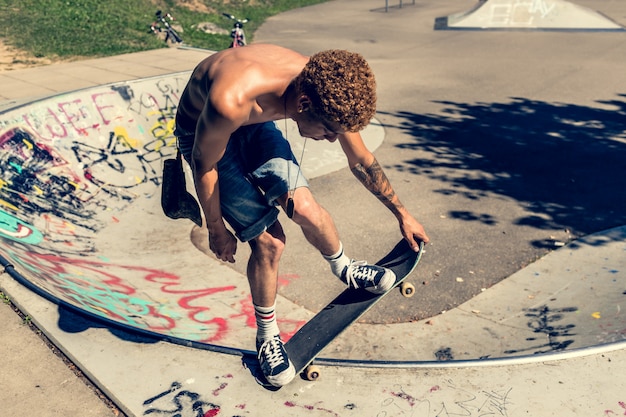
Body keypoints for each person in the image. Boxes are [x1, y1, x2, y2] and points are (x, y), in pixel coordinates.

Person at [174, 44, 429, 387]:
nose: (331, 140)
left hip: (253, 124)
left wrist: (403, 213)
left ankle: (345, 268)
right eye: (328, 131)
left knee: (305, 208)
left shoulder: (325, 85)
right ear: (304, 104)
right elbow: (205, 165)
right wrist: (216, 229)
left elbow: (361, 160)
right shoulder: (231, 100)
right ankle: (267, 337)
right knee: (270, 242)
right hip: (204, 132)